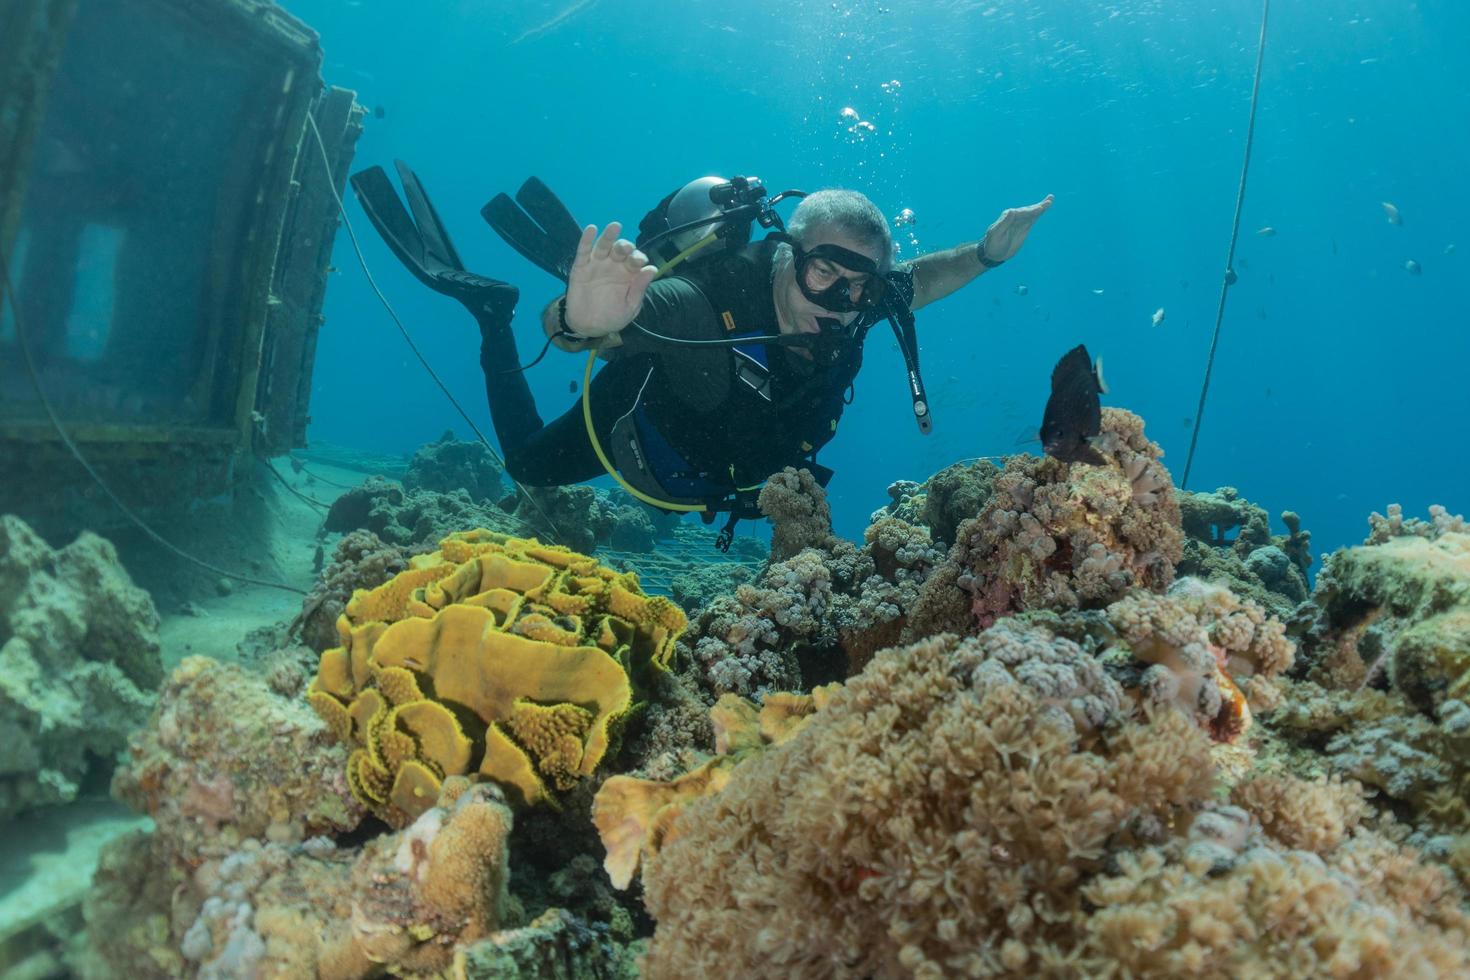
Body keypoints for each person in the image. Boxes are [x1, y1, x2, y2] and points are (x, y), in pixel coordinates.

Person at [351, 163, 1051, 543]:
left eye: (860, 286)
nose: (842, 304)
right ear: (789, 255)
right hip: (639, 443)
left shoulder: (858, 303)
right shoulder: (704, 301)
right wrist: (577, 316)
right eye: (824, 276)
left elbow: (924, 278)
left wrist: (988, 253)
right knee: (526, 465)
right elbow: (593, 329)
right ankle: (488, 313)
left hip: (721, 474)